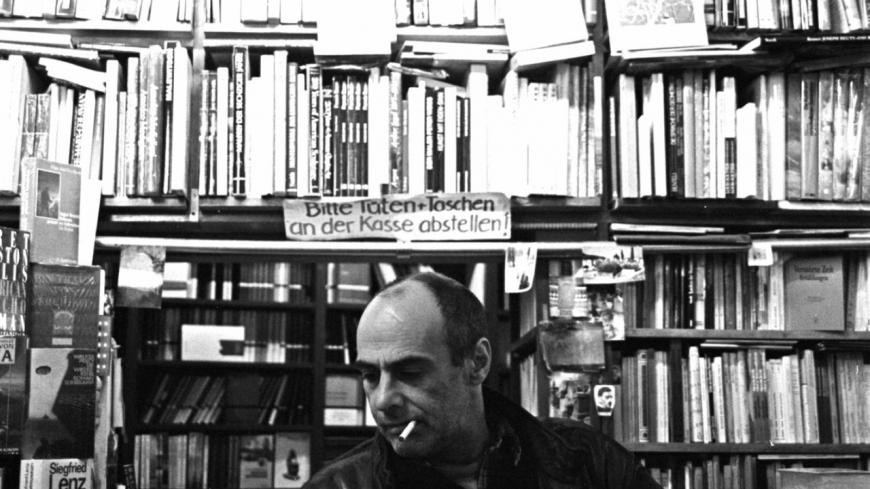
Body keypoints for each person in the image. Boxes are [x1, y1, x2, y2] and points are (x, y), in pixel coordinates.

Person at [304, 271, 661, 489]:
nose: (382, 400)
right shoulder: (338, 485)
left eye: (410, 373)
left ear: (478, 363)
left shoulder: (587, 460)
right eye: (370, 375)